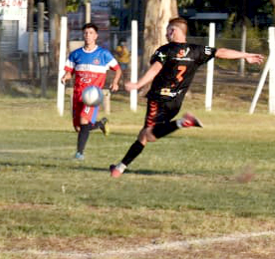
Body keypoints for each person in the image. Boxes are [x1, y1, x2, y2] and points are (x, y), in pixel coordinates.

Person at [111, 17, 265, 177]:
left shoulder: (165, 50)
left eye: (167, 31)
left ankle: (182, 122)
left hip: (159, 99)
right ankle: (119, 168)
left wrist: (138, 84)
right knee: (144, 135)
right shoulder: (197, 50)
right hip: (176, 103)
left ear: (173, 31)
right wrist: (245, 55)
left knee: (148, 134)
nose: (166, 34)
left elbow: (155, 68)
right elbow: (221, 52)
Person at [61, 23, 122, 160]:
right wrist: (65, 77)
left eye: (91, 33)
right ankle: (100, 124)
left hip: (93, 95)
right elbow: (70, 72)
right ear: (83, 35)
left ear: (96, 36)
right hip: (78, 94)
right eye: (86, 33)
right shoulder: (75, 54)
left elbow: (117, 69)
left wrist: (115, 82)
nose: (88, 35)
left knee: (84, 121)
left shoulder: (103, 54)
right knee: (79, 128)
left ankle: (79, 153)